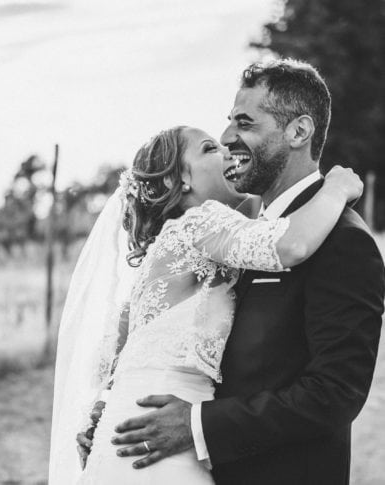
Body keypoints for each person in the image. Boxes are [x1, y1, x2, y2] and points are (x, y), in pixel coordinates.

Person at [82, 59, 385, 485]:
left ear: (299, 132)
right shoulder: (231, 235)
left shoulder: (342, 240)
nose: (227, 139)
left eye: (244, 122)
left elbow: (334, 395)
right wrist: (116, 407)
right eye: (225, 126)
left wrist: (198, 425)